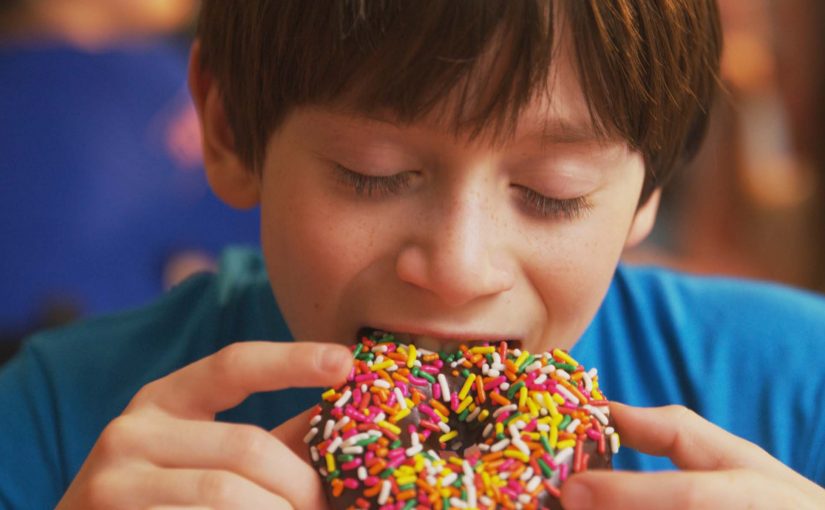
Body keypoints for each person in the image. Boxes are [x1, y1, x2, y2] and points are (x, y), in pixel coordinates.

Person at [0, 1, 823, 508]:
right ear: (227, 129)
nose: (460, 268)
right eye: (373, 174)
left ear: (650, 189)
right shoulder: (57, 417)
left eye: (552, 191)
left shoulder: (798, 390)